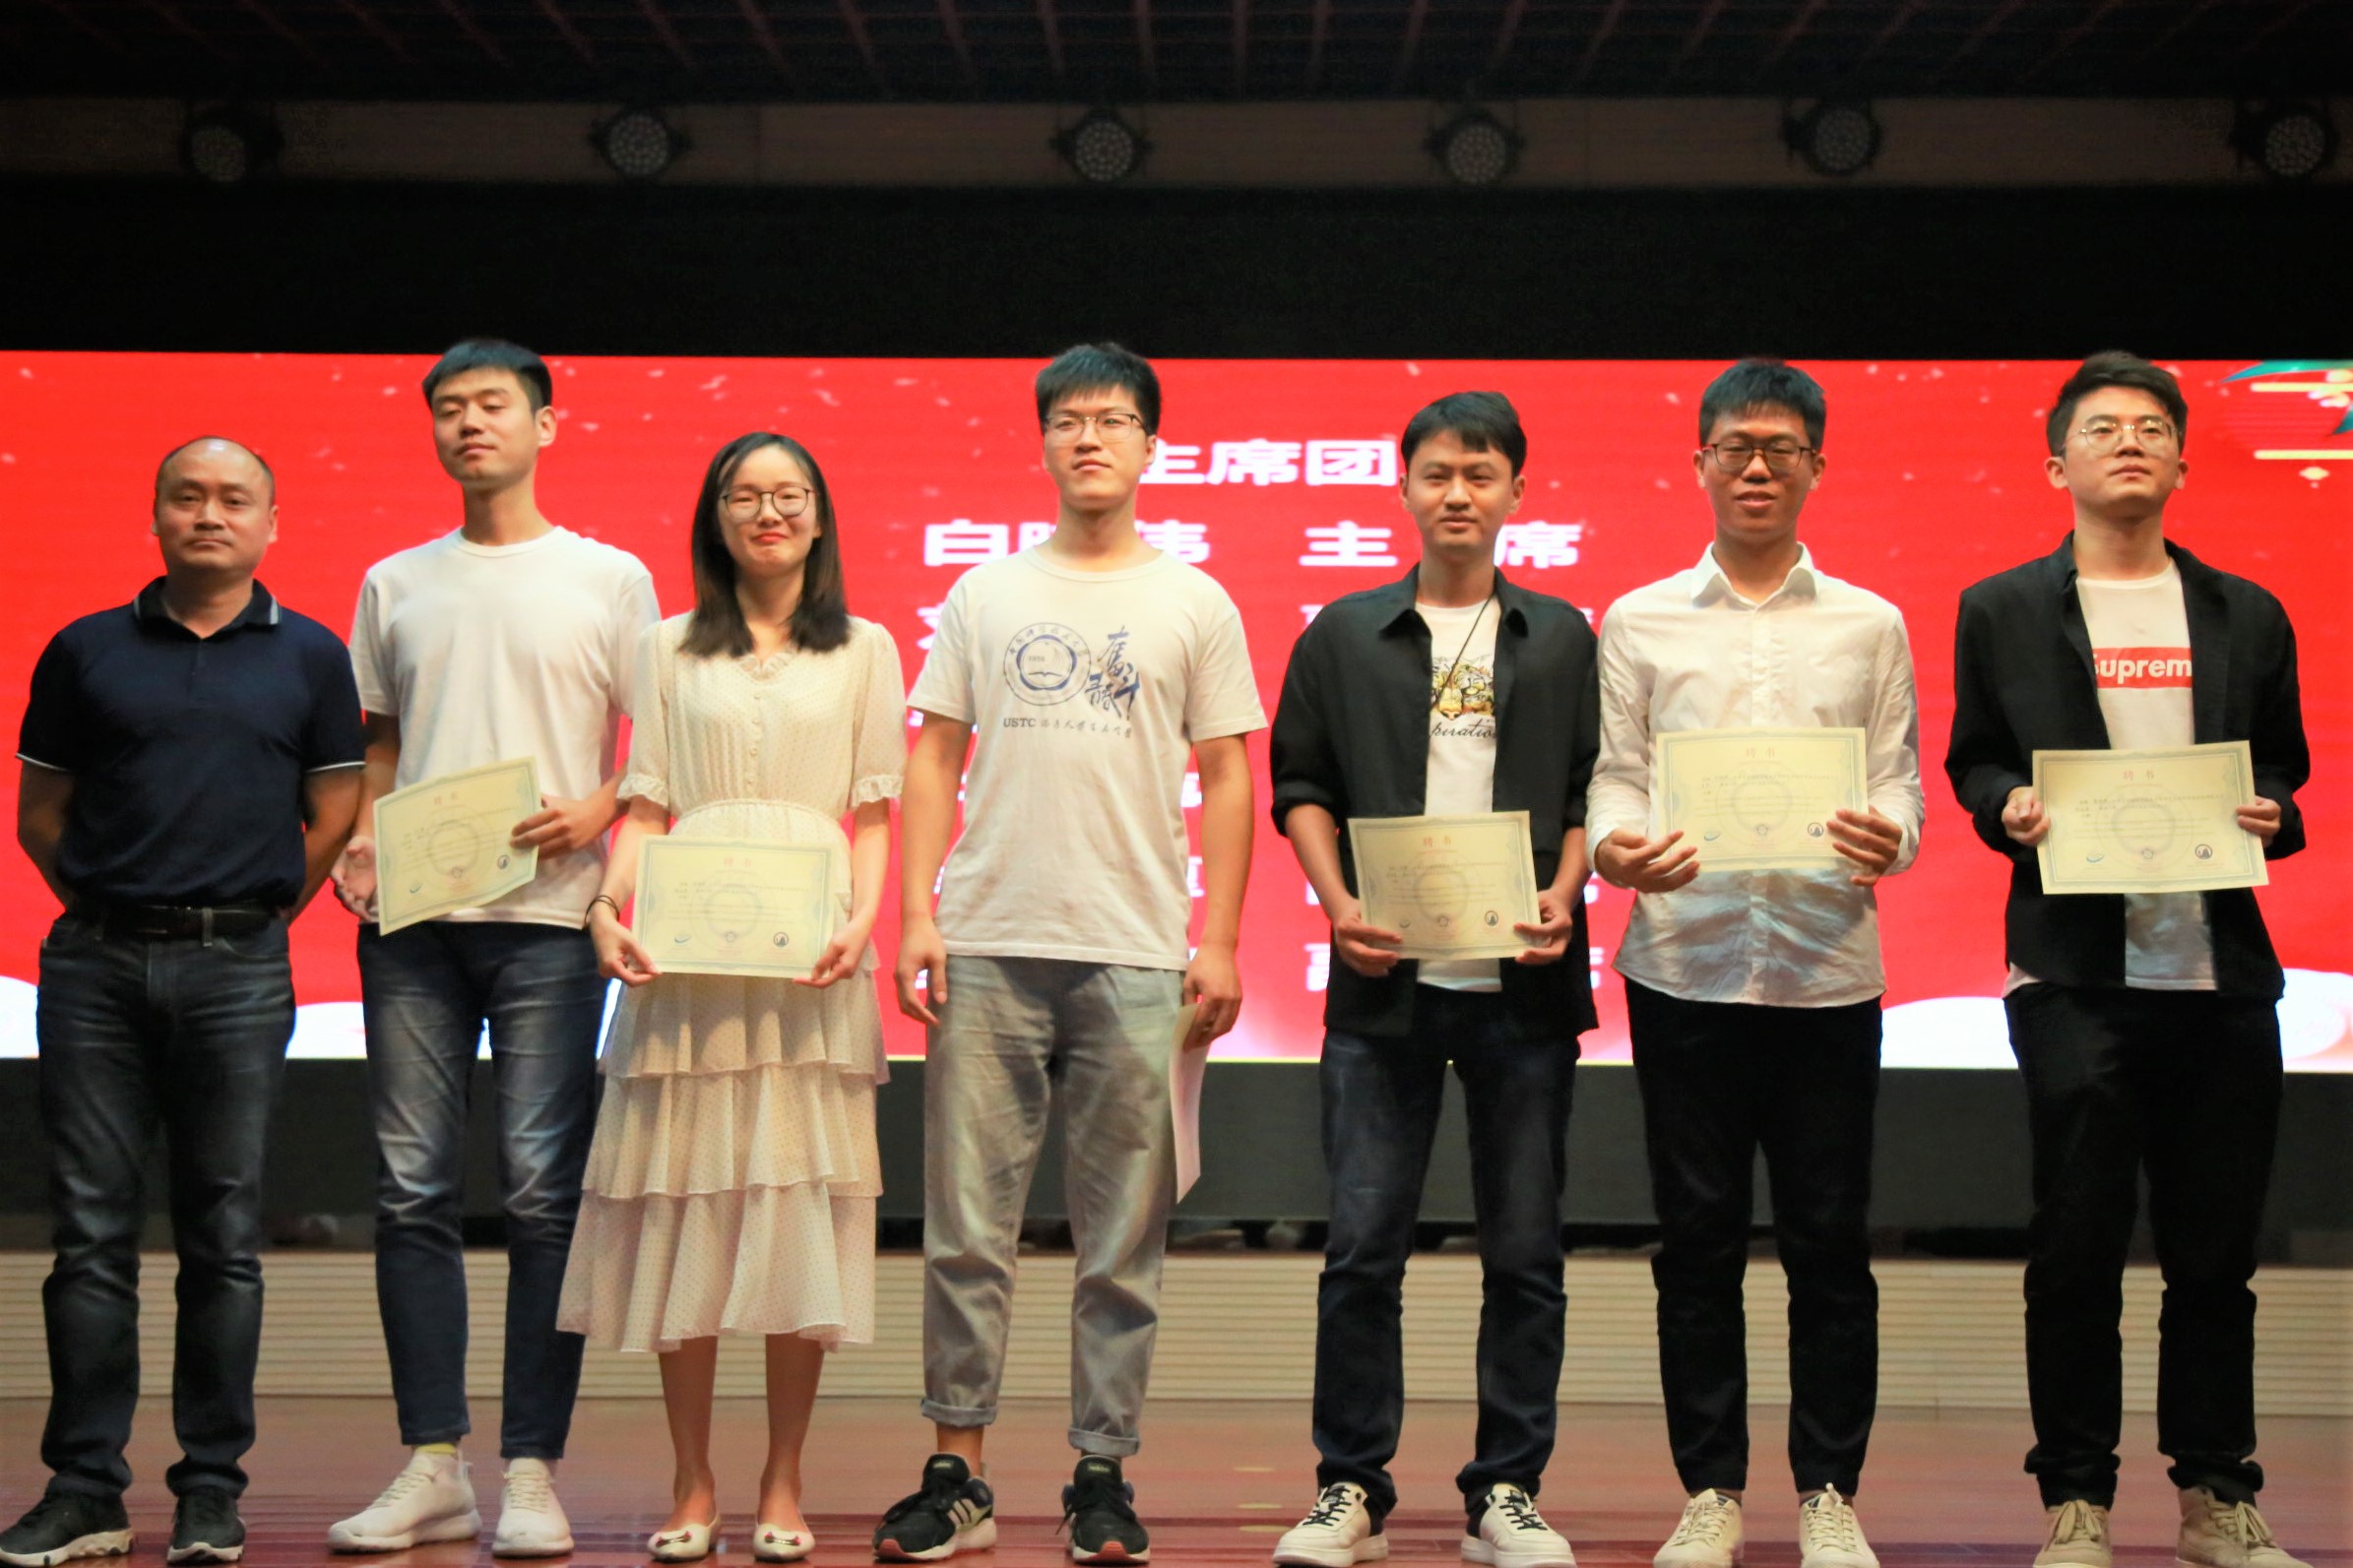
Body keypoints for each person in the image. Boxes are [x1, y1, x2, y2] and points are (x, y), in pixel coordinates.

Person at [874, 343, 1264, 1565]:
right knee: (965, 1230)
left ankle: (1101, 1471)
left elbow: (1228, 776)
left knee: (1121, 1240)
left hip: (1135, 952)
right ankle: (958, 1470)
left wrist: (1217, 938)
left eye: (1112, 420)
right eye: (1068, 420)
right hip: (989, 940)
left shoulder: (1193, 600)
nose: (1088, 438)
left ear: (1152, 445)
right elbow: (932, 757)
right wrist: (916, 913)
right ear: (1041, 441)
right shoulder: (985, 593)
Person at [1946, 352, 2312, 1568]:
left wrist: (2269, 810)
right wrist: (2003, 806)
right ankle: (2075, 1500)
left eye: (2151, 427)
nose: (2128, 444)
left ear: (2181, 461)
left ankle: (2214, 1496)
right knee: (2075, 1246)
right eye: (2101, 428)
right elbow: (1974, 758)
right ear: (2056, 462)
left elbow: (2282, 767)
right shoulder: (2000, 607)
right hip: (2070, 971)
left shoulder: (2245, 611)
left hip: (2217, 972)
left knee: (2213, 1255)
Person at [1, 439, 362, 1568]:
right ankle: (84, 1490)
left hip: (239, 973)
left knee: (224, 1242)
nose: (210, 513)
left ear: (269, 523)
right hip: (94, 972)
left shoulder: (311, 656)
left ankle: (210, 1490)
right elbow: (40, 814)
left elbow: (334, 813)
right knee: (90, 1239)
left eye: (233, 499)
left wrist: (250, 914)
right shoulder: (86, 649)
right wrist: (111, 904)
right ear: (156, 516)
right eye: (187, 496)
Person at [1585, 360, 1922, 1568]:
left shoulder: (1869, 622)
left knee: (1829, 1242)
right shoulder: (1637, 619)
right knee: (1696, 1242)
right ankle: (1710, 1492)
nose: (1757, 467)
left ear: (1816, 465)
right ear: (1699, 464)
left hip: (1826, 970)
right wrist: (1617, 850)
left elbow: (1897, 779)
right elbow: (1618, 774)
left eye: (1780, 448)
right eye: (1734, 447)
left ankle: (1827, 1491)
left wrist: (1891, 836)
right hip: (1683, 964)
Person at [325, 339, 659, 1556]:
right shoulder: (395, 582)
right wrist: (363, 839)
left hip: (550, 921)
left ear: (544, 424)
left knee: (538, 1194)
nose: (471, 424)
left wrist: (599, 809)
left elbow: (656, 742)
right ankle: (431, 1463)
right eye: (450, 409)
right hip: (413, 924)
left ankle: (528, 1468)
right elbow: (379, 744)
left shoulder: (607, 577)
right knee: (410, 1191)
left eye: (494, 405)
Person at [554, 432, 905, 1563]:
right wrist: (605, 905)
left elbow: (872, 815)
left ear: (819, 516)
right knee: (689, 1205)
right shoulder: (665, 646)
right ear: (715, 517)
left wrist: (862, 919)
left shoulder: (865, 647)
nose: (768, 513)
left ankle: (784, 1480)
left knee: (793, 1208)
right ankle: (691, 1479)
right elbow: (645, 806)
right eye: (745, 496)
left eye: (788, 495)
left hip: (808, 961)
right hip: (688, 958)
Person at [1266, 392, 1598, 1568]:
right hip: (1382, 990)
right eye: (1437, 474)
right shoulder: (1341, 633)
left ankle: (1505, 1489)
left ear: (1517, 492)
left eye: (1480, 474)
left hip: (1524, 991)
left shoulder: (1561, 637)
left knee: (1525, 1255)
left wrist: (1564, 892)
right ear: (1402, 486)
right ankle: (1349, 1488)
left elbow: (1589, 791)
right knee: (1362, 1249)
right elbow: (1299, 786)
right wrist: (1338, 903)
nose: (1457, 493)